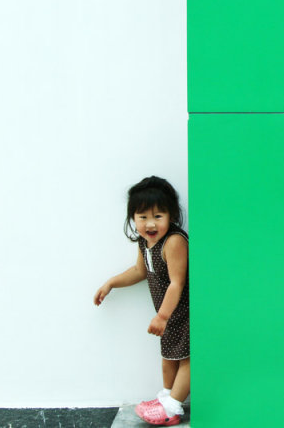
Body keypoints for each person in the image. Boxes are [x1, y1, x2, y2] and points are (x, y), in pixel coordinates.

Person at [94, 176, 189, 426]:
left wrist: (162, 316)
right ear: (133, 218)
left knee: (189, 358)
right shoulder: (144, 243)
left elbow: (177, 283)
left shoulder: (175, 241)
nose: (150, 223)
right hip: (169, 313)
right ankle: (167, 397)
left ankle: (172, 406)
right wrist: (111, 282)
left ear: (172, 216)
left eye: (158, 216)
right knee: (169, 355)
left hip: (184, 312)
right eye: (143, 216)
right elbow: (139, 271)